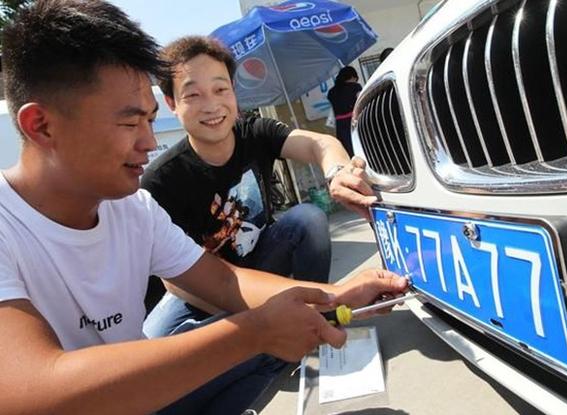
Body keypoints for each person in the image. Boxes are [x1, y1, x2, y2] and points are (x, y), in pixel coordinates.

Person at [0, 2, 408, 415]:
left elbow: (224, 282)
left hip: (143, 394)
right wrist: (252, 333)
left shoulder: (133, 207)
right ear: (42, 126)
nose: (147, 141)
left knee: (277, 337)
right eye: (129, 123)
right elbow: (36, 391)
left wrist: (337, 295)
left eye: (149, 121)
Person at [141, 37, 378, 337]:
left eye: (220, 89)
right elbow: (176, 283)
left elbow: (320, 143)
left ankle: (318, 316)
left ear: (233, 91)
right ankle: (277, 328)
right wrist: (258, 319)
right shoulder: (161, 179)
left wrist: (338, 171)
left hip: (262, 260)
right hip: (203, 290)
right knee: (155, 340)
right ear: (172, 103)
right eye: (193, 95)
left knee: (307, 218)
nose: (212, 105)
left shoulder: (255, 131)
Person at [327, 66, 362, 158]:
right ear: (352, 76)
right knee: (361, 147)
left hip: (340, 125)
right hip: (354, 121)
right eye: (355, 79)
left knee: (349, 151)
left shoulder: (331, 92)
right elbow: (360, 103)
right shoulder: (355, 87)